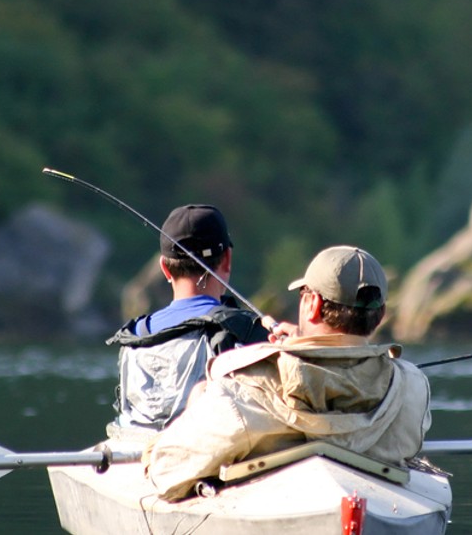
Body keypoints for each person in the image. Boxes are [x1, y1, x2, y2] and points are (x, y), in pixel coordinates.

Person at [142, 245, 432, 501]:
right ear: (380, 315)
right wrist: (302, 346)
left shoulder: (243, 385)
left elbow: (166, 472)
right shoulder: (412, 386)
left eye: (304, 294)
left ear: (313, 304)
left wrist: (196, 402)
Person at [107, 204, 270, 432]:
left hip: (137, 453)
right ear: (227, 260)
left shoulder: (135, 335)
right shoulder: (247, 332)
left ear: (164, 268)